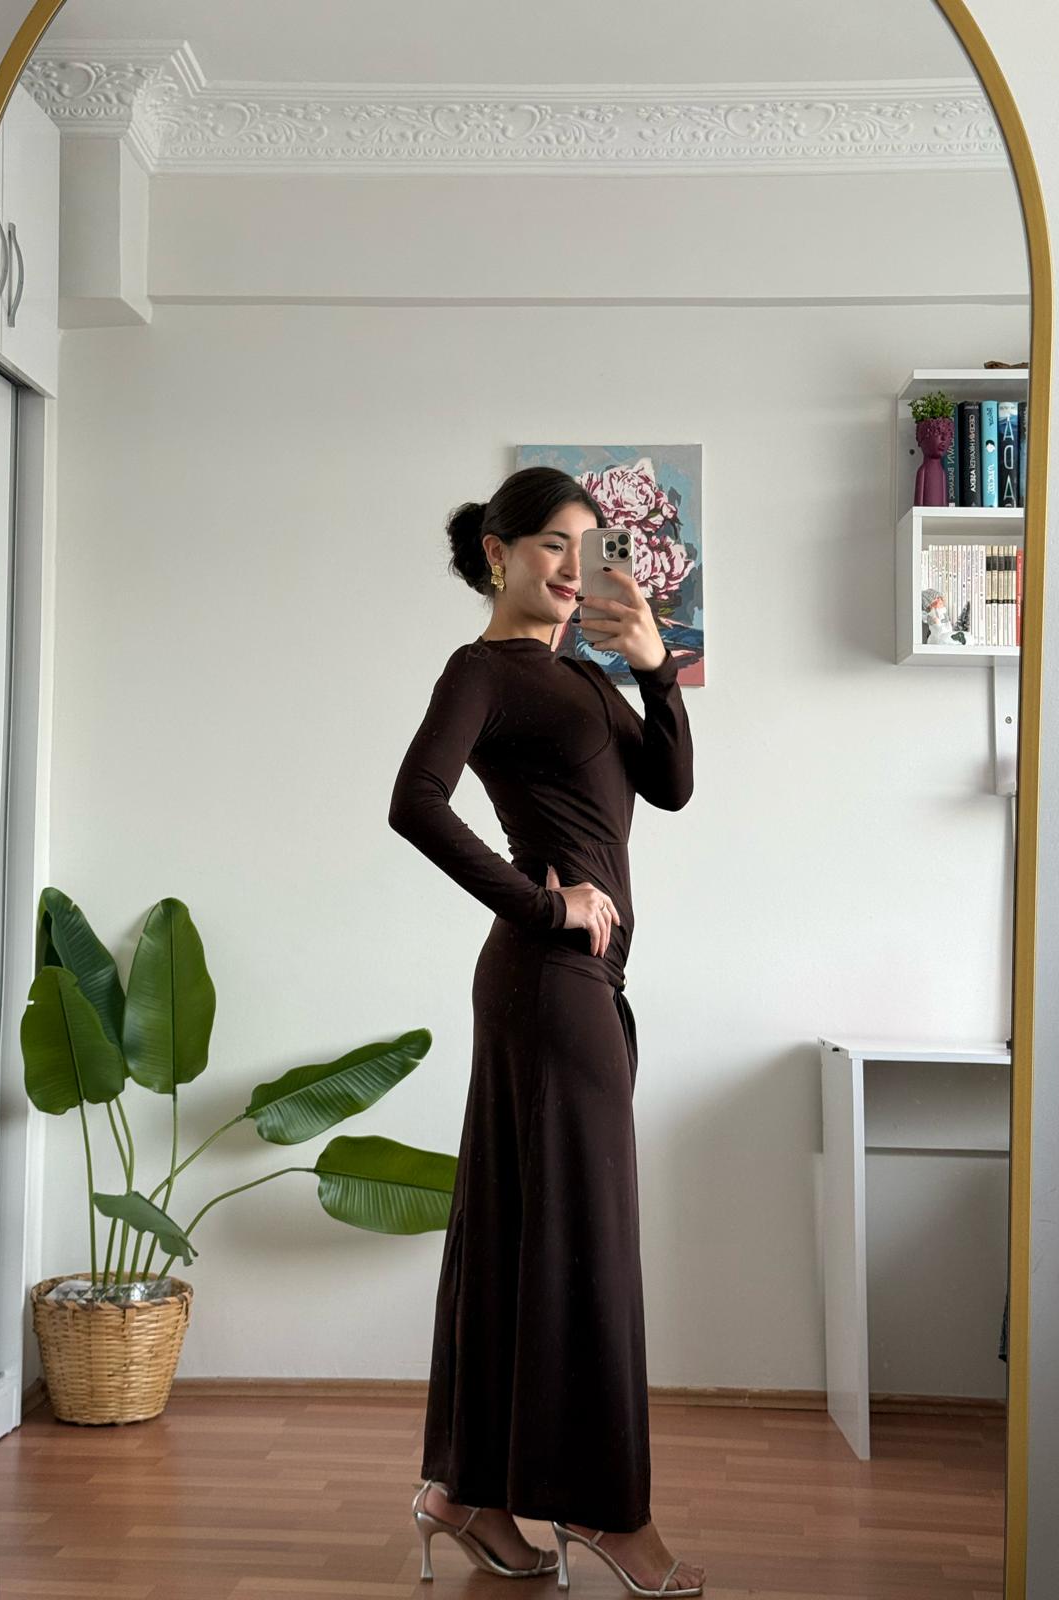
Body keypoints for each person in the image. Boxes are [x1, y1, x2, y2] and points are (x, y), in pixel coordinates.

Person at [389, 466, 703, 1594]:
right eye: (552, 544)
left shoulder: (578, 676)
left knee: (521, 1228)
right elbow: (414, 800)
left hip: (576, 987)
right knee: (590, 1243)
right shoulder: (482, 670)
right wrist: (542, 902)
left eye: (588, 544)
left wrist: (655, 667)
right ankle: (609, 1513)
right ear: (498, 554)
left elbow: (671, 785)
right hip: (548, 978)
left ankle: (463, 1493)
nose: (573, 566)